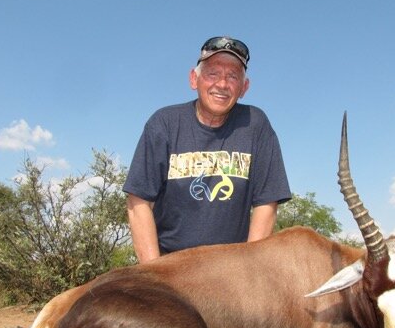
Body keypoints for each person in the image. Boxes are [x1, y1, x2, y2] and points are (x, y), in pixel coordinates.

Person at [124, 36, 291, 262]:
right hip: (168, 265)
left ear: (244, 87)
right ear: (194, 79)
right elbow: (139, 202)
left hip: (230, 268)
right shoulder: (164, 123)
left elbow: (266, 203)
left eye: (233, 76)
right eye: (213, 74)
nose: (222, 84)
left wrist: (248, 270)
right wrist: (155, 275)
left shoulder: (255, 125)